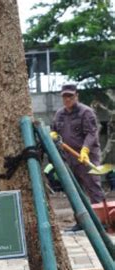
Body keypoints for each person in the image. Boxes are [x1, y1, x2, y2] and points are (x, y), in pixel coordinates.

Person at [50, 83, 105, 232]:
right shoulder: (59, 114)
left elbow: (92, 133)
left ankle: (102, 222)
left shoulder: (86, 112)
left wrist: (85, 150)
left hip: (88, 158)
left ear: (76, 96)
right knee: (74, 190)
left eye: (70, 96)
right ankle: (81, 222)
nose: (67, 99)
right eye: (65, 96)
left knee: (93, 188)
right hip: (70, 158)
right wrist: (53, 135)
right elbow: (53, 130)